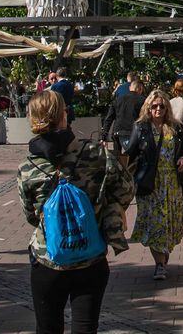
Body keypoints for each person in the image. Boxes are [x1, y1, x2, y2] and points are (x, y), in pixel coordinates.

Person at [18, 89, 133, 334]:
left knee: (47, 328)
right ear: (64, 115)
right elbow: (126, 189)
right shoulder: (96, 154)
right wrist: (103, 210)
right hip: (90, 257)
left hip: (48, 258)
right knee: (86, 327)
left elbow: (30, 215)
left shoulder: (29, 167)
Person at [125, 90, 183, 281]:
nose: (158, 109)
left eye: (162, 106)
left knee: (170, 224)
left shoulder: (175, 127)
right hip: (150, 183)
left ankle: (163, 254)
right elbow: (130, 153)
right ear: (148, 107)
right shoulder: (140, 128)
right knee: (156, 224)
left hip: (172, 184)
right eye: (154, 106)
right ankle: (159, 264)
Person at [105, 72, 146, 147]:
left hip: (118, 133)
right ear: (140, 89)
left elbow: (109, 118)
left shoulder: (117, 100)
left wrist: (104, 135)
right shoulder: (143, 100)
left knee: (120, 153)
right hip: (134, 132)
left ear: (130, 88)